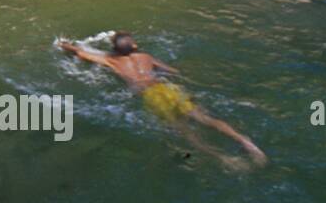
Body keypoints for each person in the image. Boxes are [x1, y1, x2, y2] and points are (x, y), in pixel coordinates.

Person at [59, 32, 268, 172]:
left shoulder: (111, 60)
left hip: (151, 95)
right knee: (204, 118)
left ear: (114, 49)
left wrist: (63, 44)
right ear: (134, 45)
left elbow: (80, 52)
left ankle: (223, 157)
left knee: (183, 129)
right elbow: (172, 71)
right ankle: (245, 141)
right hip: (168, 88)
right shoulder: (146, 56)